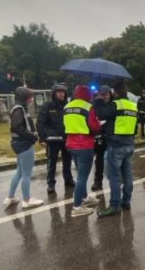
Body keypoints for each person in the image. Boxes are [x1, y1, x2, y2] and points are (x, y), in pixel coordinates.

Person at [96, 81, 138, 217]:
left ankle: (114, 205)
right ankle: (126, 202)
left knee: (114, 177)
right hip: (129, 144)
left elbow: (101, 114)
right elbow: (135, 127)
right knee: (127, 175)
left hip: (116, 144)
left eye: (113, 91)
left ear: (117, 92)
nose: (112, 93)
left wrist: (98, 101)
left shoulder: (116, 104)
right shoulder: (133, 106)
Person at [3, 87, 44, 208]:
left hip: (19, 143)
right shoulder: (19, 109)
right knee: (26, 173)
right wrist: (32, 137)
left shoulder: (17, 108)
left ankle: (10, 197)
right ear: (24, 97)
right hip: (24, 144)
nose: (31, 99)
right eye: (29, 97)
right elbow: (18, 127)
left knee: (20, 172)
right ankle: (27, 200)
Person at [64, 85, 101, 217]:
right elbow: (94, 127)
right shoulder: (87, 107)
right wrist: (98, 123)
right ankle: (77, 207)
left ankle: (84, 197)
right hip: (84, 144)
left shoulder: (67, 107)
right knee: (82, 178)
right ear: (87, 95)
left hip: (70, 144)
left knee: (80, 173)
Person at [36, 83, 75, 194]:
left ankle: (68, 179)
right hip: (52, 139)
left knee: (67, 161)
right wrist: (42, 138)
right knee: (51, 162)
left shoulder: (68, 106)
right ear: (54, 93)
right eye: (59, 92)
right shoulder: (47, 106)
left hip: (66, 138)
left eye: (63, 92)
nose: (62, 94)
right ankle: (51, 184)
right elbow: (40, 122)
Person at [91, 85, 114, 191]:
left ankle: (114, 181)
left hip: (111, 134)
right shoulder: (95, 104)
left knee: (113, 159)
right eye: (103, 94)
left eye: (107, 94)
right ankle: (98, 181)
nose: (106, 97)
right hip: (99, 134)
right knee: (99, 159)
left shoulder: (113, 104)